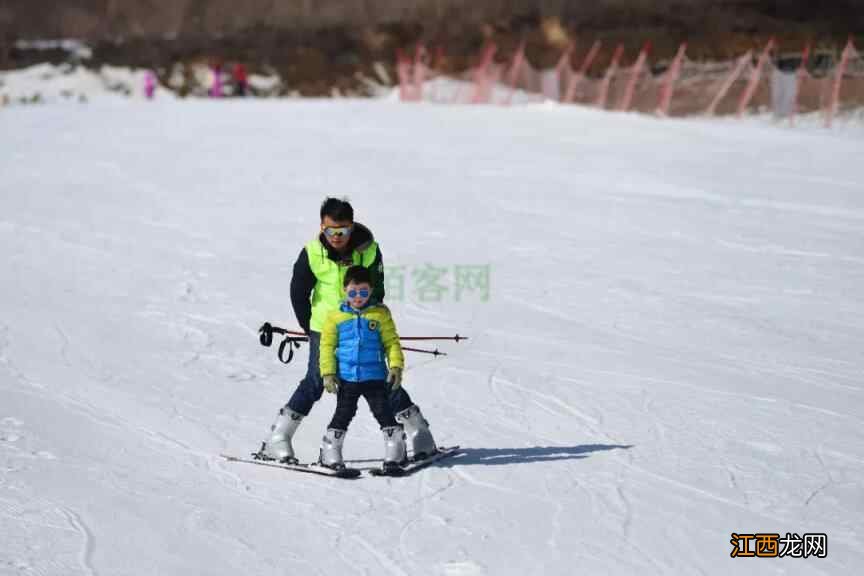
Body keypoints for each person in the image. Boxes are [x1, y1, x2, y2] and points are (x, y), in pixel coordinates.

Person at [256, 197, 436, 463]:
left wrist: (370, 319)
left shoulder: (369, 249)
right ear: (322, 227)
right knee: (316, 381)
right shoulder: (312, 253)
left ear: (351, 227)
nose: (336, 237)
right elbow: (298, 293)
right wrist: (312, 329)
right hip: (325, 327)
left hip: (364, 323)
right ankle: (278, 439)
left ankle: (420, 433)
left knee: (382, 378)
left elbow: (378, 287)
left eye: (342, 231)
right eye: (330, 231)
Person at [318, 266, 406, 472]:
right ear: (344, 291)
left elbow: (392, 342)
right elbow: (327, 346)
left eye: (364, 292)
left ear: (371, 290)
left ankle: (396, 451)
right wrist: (328, 373)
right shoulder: (335, 316)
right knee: (343, 413)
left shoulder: (380, 313)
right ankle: (330, 451)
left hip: (375, 375)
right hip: (347, 377)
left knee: (383, 412)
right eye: (353, 293)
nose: (358, 298)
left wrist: (395, 366)